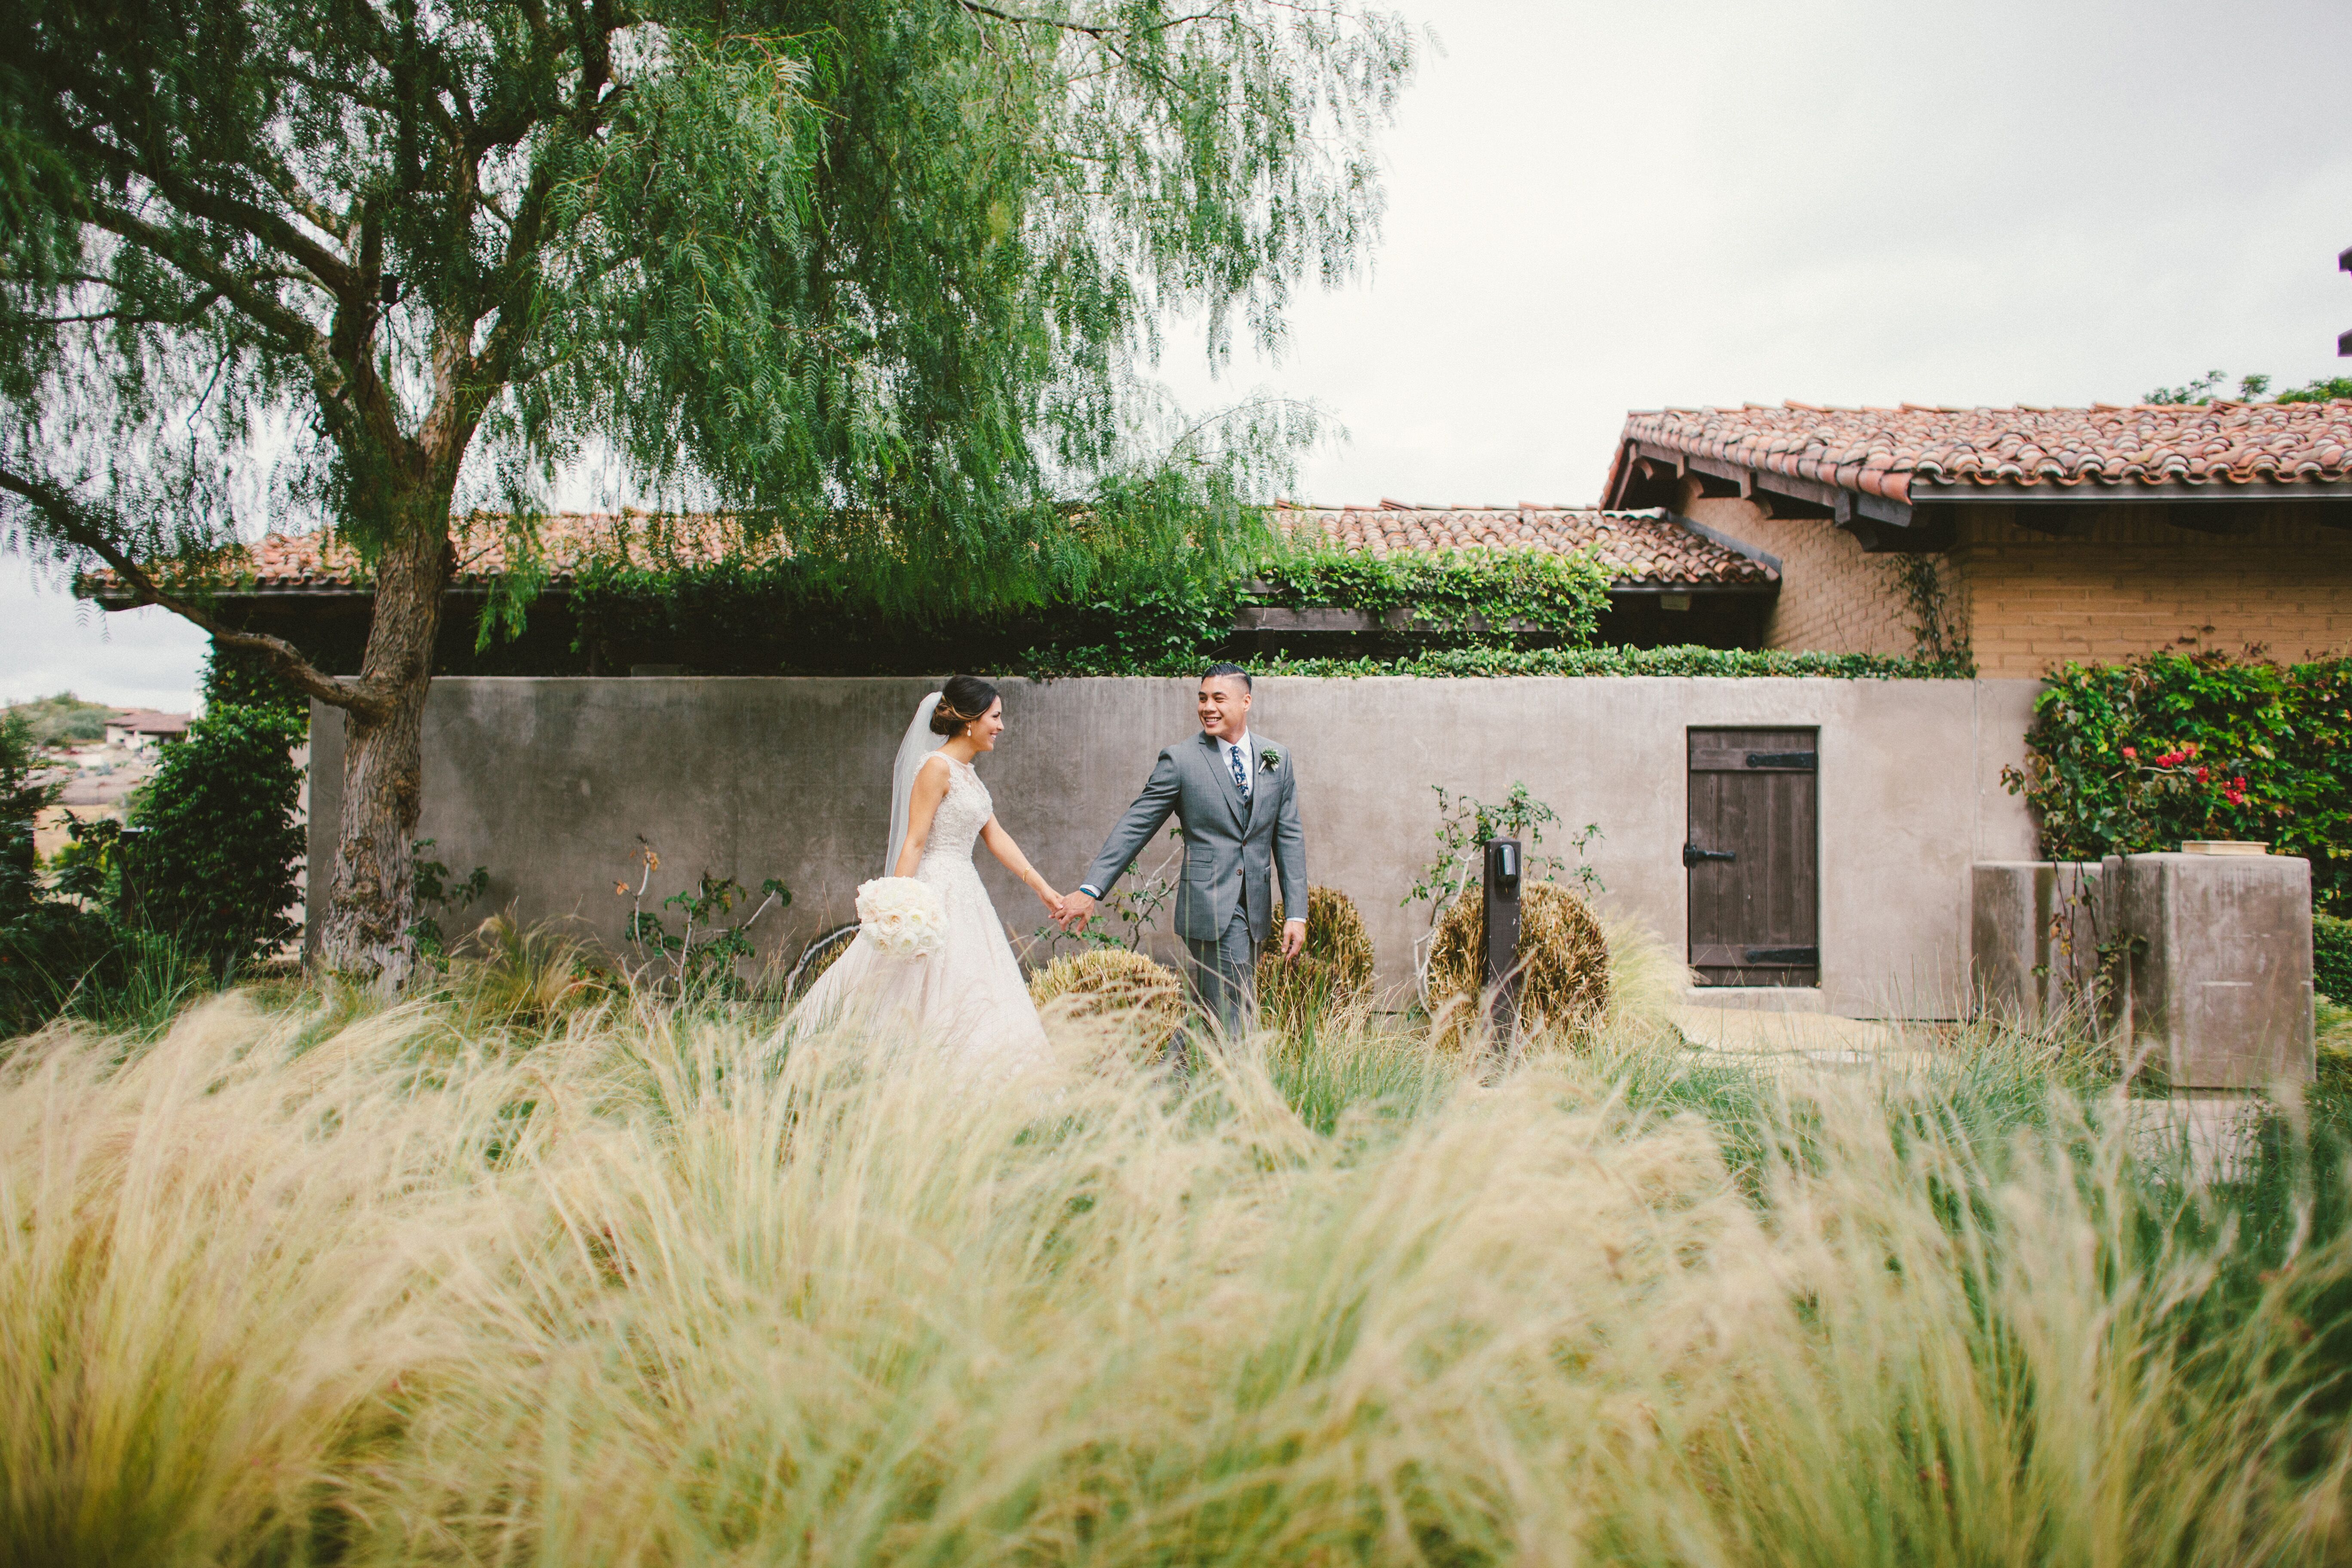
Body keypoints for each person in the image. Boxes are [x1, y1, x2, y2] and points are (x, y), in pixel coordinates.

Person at [790, 676, 1062, 1068]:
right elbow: (915, 840)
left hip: (967, 892)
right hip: (934, 889)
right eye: (996, 716)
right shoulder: (936, 768)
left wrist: (1043, 888)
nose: (1001, 726)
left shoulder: (967, 773)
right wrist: (897, 904)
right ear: (970, 719)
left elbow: (995, 835)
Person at [1061, 663, 1306, 1043]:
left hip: (1255, 908)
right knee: (1234, 1006)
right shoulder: (1181, 761)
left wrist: (1296, 912)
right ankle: (1238, 1095)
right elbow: (1136, 824)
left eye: (1218, 699)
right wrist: (1092, 888)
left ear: (1246, 701)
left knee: (1214, 1010)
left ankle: (1173, 1083)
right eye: (1203, 698)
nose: (1208, 707)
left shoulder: (1277, 757)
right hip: (1208, 905)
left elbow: (1288, 836)